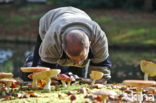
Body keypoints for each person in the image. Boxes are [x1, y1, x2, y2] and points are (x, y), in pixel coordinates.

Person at [22, 6, 112, 84]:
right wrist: (46, 80)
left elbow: (103, 77)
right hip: (49, 21)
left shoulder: (99, 38)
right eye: (74, 59)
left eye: (81, 58)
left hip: (79, 15)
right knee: (37, 75)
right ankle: (30, 59)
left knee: (77, 78)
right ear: (62, 46)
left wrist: (81, 79)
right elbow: (44, 73)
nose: (78, 63)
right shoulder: (52, 40)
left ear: (89, 43)